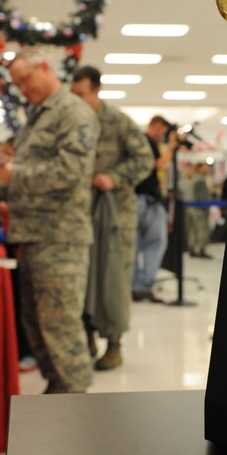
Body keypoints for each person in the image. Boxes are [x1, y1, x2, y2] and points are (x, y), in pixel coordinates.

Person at [0, 46, 99, 394]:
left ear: (44, 68)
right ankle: (57, 393)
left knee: (61, 328)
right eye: (15, 84)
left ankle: (77, 405)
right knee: (36, 327)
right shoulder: (37, 116)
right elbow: (29, 174)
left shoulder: (72, 113)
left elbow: (70, 172)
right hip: (33, 235)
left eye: (24, 80)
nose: (21, 89)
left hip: (60, 239)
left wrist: (12, 175)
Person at [71, 65, 153, 371]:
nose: (76, 100)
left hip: (117, 216)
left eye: (81, 94)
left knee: (113, 281)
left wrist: (115, 178)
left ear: (96, 91)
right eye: (73, 94)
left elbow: (145, 159)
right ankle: (88, 338)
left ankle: (114, 344)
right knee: (83, 277)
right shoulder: (74, 123)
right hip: (80, 215)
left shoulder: (118, 122)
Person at [132, 116, 178, 303]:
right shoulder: (147, 141)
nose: (164, 136)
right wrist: (172, 147)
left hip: (137, 199)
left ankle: (135, 286)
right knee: (155, 243)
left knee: (134, 246)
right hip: (146, 202)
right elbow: (160, 164)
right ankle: (142, 286)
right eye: (164, 132)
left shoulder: (140, 142)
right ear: (157, 125)